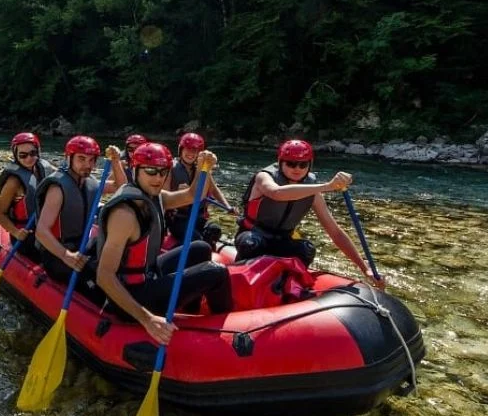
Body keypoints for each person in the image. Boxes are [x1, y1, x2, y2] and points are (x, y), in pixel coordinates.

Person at [93, 142, 233, 345]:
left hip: (147, 274)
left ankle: (190, 311)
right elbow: (104, 277)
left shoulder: (156, 197)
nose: (158, 178)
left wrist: (205, 168)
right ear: (135, 169)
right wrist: (147, 319)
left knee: (201, 248)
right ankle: (227, 331)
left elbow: (193, 195)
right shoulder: (125, 215)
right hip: (132, 296)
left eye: (163, 172)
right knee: (217, 272)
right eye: (151, 171)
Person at [236, 139, 380, 287]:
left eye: (303, 164)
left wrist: (365, 268)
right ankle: (241, 282)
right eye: (291, 163)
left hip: (282, 241)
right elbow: (276, 193)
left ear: (309, 165)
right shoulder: (264, 177)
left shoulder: (312, 191)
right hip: (255, 234)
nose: (297, 169)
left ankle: (287, 287)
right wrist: (327, 186)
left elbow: (335, 232)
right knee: (251, 244)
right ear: (280, 162)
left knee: (306, 249)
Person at [35, 135, 125, 283]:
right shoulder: (57, 189)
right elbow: (41, 231)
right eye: (81, 159)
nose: (87, 165)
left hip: (82, 244)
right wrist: (65, 255)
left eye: (91, 160)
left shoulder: (90, 183)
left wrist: (115, 161)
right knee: (99, 276)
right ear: (69, 158)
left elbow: (120, 187)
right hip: (57, 254)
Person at [0, 132, 57, 260]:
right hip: (26, 233)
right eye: (23, 155)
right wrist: (16, 232)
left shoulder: (44, 167)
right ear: (16, 156)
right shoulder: (14, 182)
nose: (28, 158)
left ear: (38, 151)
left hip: (44, 225)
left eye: (32, 153)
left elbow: (66, 177)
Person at [165, 132, 232, 247]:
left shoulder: (202, 169)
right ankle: (180, 251)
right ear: (181, 150)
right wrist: (178, 192)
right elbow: (164, 195)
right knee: (195, 238)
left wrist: (228, 206)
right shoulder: (171, 168)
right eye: (188, 149)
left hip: (198, 216)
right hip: (179, 218)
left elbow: (214, 190)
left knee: (214, 230)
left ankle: (207, 252)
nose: (190, 153)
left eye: (194, 150)